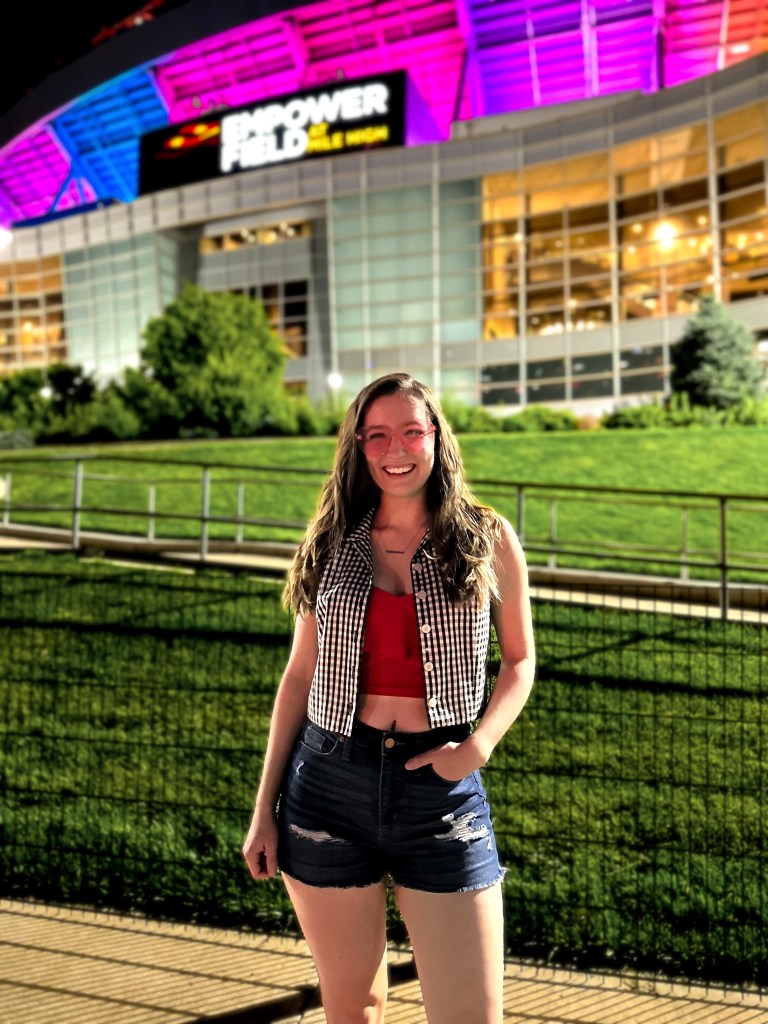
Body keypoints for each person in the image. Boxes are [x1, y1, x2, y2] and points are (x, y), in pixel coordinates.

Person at [243, 373, 535, 1024]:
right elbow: (299, 677)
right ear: (358, 446)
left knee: (471, 1016)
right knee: (355, 1008)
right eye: (376, 434)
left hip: (442, 794)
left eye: (410, 430)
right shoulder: (332, 541)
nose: (394, 448)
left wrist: (479, 746)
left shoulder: (487, 538)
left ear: (436, 438)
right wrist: (265, 809)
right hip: (326, 788)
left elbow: (520, 661)